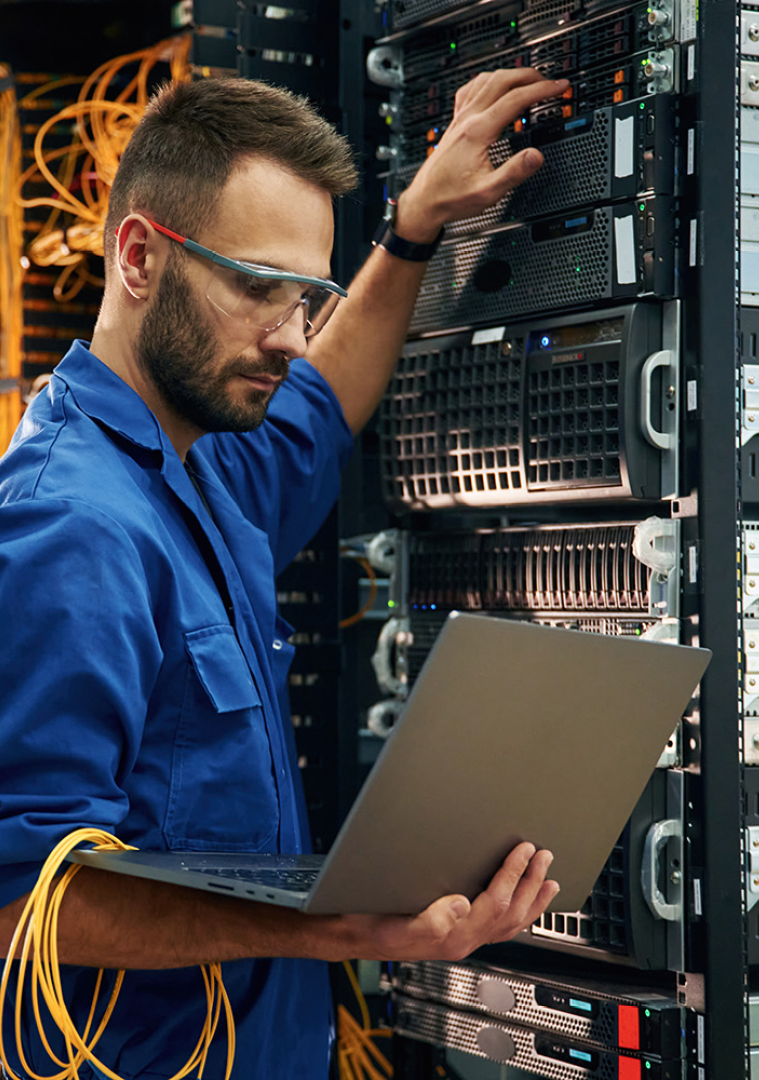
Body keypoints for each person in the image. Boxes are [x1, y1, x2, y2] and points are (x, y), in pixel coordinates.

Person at [0, 68, 566, 1079]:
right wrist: (342, 931)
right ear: (138, 256)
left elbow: (325, 394)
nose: (289, 337)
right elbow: (21, 902)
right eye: (259, 288)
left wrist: (411, 231)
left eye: (305, 299)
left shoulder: (203, 460)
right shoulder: (72, 531)